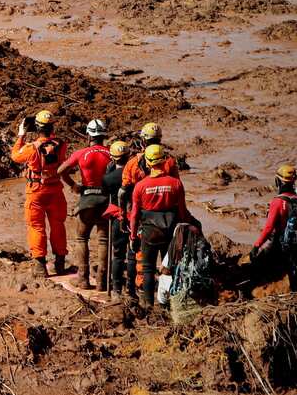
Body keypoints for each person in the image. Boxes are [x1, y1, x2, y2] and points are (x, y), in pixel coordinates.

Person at [129, 144, 198, 307]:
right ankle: (168, 305)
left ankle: (148, 304)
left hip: (149, 232)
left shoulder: (140, 186)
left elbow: (134, 215)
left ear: (147, 162)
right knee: (170, 269)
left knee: (148, 269)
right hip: (170, 232)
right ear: (163, 160)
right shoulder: (176, 184)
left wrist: (133, 236)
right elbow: (183, 212)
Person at [11, 110, 69, 277]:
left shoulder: (31, 148)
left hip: (36, 192)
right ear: (52, 126)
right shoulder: (62, 145)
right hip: (56, 190)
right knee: (58, 226)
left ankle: (40, 266)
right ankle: (60, 263)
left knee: (36, 227)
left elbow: (15, 156)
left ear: (36, 127)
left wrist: (21, 135)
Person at [58, 118, 112, 290]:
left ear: (89, 135)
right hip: (106, 200)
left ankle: (83, 280)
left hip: (87, 199)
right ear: (104, 136)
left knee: (82, 238)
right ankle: (102, 282)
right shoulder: (111, 153)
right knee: (103, 241)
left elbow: (61, 170)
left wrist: (73, 185)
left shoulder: (82, 153)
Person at [250, 164, 297, 293]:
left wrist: (256, 245)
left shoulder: (277, 202)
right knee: (296, 279)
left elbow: (268, 228)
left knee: (258, 263)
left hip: (281, 246)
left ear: (277, 181)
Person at [102, 140, 132, 300]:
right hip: (134, 217)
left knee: (118, 255)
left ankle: (116, 290)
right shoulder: (135, 174)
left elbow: (105, 192)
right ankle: (132, 289)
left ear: (113, 158)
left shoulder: (109, 178)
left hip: (117, 218)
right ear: (128, 156)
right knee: (133, 254)